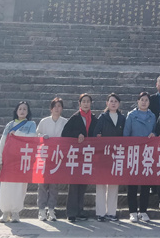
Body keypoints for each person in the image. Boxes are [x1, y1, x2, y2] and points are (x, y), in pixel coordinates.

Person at [0, 101, 37, 223]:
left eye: (25, 109)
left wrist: (17, 133)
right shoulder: (10, 125)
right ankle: (5, 212)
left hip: (22, 160)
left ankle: (15, 212)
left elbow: (32, 137)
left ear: (28, 112)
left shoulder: (31, 124)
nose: (22, 111)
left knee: (20, 187)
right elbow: (2, 142)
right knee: (6, 186)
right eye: (20, 109)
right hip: (8, 160)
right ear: (16, 111)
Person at [61, 93, 97, 223]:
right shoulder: (75, 118)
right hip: (75, 156)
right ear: (79, 104)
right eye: (84, 101)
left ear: (91, 103)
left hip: (88, 156)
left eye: (88, 101)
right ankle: (71, 212)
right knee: (73, 184)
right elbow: (65, 133)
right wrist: (77, 134)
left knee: (83, 184)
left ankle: (80, 210)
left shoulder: (94, 118)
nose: (86, 103)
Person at [123, 91, 157, 223]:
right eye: (142, 100)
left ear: (149, 102)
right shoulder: (131, 115)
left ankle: (143, 211)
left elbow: (155, 130)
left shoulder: (152, 116)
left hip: (147, 153)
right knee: (132, 184)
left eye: (146, 100)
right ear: (138, 101)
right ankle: (132, 211)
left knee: (145, 184)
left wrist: (154, 134)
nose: (144, 102)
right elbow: (126, 134)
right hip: (133, 152)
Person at [94, 93, 126, 222]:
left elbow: (125, 135)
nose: (113, 103)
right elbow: (96, 133)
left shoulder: (122, 118)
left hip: (117, 154)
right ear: (107, 103)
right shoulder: (102, 117)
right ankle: (100, 213)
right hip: (103, 154)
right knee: (101, 184)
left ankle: (111, 212)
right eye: (111, 101)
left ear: (119, 104)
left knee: (113, 184)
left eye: (115, 101)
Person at [36, 97, 67, 221]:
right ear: (51, 108)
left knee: (54, 184)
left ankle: (51, 209)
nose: (57, 108)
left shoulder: (65, 122)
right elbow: (36, 134)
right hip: (44, 156)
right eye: (55, 106)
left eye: (59, 106)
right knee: (42, 184)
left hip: (57, 157)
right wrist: (42, 136)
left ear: (62, 108)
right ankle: (41, 210)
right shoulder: (44, 121)